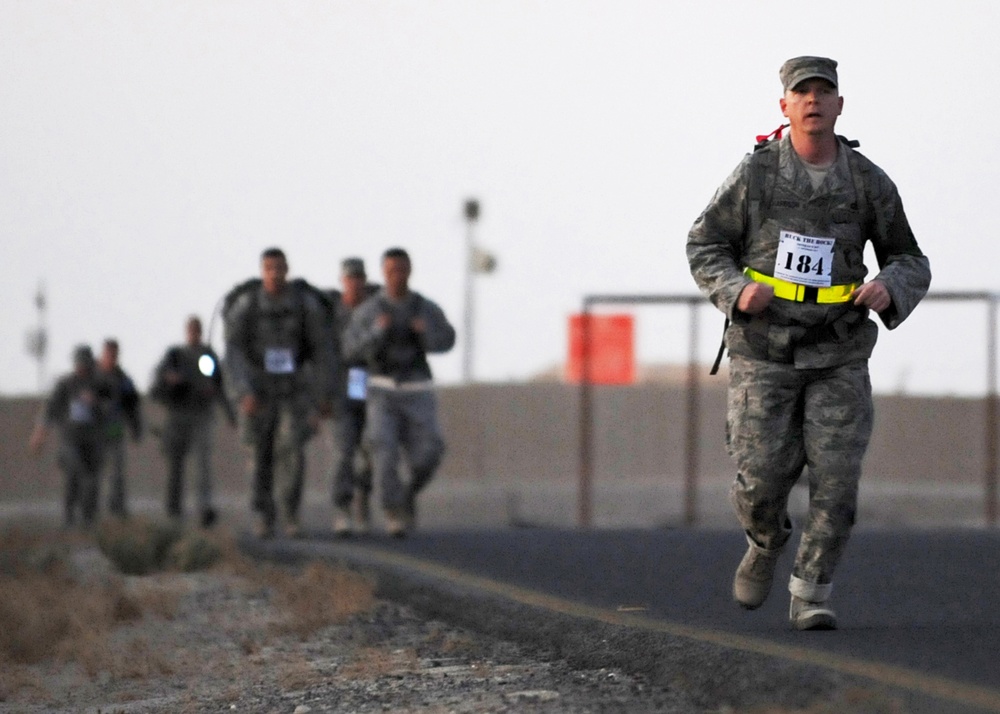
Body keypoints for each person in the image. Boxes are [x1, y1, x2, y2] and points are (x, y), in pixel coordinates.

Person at [686, 56, 931, 630]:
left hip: (838, 349)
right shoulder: (757, 175)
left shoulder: (867, 182)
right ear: (785, 107)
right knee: (760, 477)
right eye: (803, 93)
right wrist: (735, 290)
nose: (814, 101)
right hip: (764, 350)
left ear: (840, 105)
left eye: (824, 92)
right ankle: (766, 542)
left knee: (838, 479)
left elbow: (909, 258)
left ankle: (811, 591)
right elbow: (704, 244)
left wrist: (887, 287)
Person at [223, 247, 336, 538]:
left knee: (291, 450)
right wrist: (243, 392)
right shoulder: (247, 306)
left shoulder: (304, 305)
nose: (274, 274)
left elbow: (323, 352)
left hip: (292, 389)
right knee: (259, 453)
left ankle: (290, 513)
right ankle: (263, 513)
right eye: (269, 268)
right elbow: (233, 352)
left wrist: (323, 395)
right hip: (257, 390)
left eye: (279, 268)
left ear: (287, 270)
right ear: (262, 271)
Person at [343, 247, 456, 537]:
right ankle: (392, 511)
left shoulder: (424, 307)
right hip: (381, 389)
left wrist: (425, 333)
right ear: (383, 273)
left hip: (417, 388)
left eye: (402, 270)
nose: (397, 276)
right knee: (384, 450)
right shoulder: (369, 312)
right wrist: (377, 333)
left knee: (429, 452)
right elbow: (350, 350)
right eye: (391, 271)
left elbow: (447, 338)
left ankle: (408, 493)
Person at [150, 315, 236, 527]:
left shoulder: (207, 356)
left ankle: (204, 508)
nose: (194, 333)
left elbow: (218, 385)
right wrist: (172, 380)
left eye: (197, 329)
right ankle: (173, 509)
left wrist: (229, 413)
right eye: (191, 329)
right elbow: (159, 382)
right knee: (175, 465)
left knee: (202, 464)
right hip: (177, 414)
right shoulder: (175, 356)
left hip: (201, 414)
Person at [28, 345, 114, 528]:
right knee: (73, 475)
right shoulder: (66, 384)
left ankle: (89, 517)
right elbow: (50, 410)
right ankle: (69, 516)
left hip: (93, 440)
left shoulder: (100, 383)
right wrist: (39, 435)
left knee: (91, 479)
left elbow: (112, 408)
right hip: (71, 439)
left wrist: (96, 403)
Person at [327, 257, 380, 537]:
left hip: (370, 385)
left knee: (369, 450)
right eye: (350, 278)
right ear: (343, 280)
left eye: (359, 277)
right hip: (342, 386)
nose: (355, 283)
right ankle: (342, 508)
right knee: (344, 451)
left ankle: (363, 501)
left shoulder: (375, 309)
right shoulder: (332, 312)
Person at [98, 338, 143, 518]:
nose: (112, 358)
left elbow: (132, 406)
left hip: (114, 429)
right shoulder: (92, 376)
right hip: (93, 433)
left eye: (114, 355)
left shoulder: (123, 379)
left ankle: (117, 508)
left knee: (117, 472)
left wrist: (135, 429)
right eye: (109, 354)